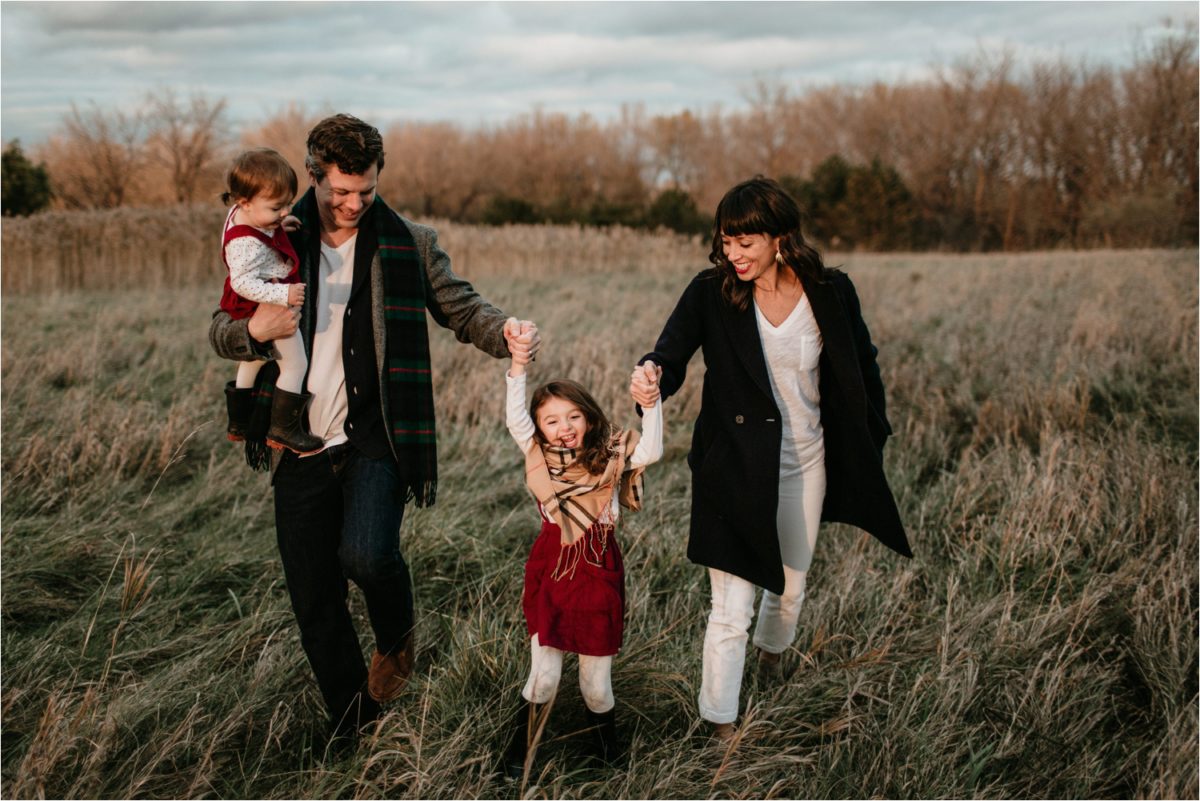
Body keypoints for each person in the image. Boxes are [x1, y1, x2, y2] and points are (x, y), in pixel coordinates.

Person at [208, 114, 540, 744]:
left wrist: (507, 333)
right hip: (298, 440)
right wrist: (255, 331)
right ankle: (353, 723)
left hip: (375, 438)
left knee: (368, 554)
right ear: (314, 177)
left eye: (367, 189)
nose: (355, 203)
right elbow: (222, 330)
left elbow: (460, 305)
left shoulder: (407, 241)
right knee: (314, 597)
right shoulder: (276, 239)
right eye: (340, 191)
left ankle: (396, 637)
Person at [630, 176, 911, 741]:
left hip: (807, 460)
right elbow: (669, 354)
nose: (733, 254)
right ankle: (721, 725)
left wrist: (869, 428)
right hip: (735, 466)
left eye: (746, 242)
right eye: (726, 241)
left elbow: (863, 361)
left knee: (790, 588)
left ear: (781, 237)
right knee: (730, 609)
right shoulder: (711, 291)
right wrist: (650, 378)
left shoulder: (830, 290)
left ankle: (772, 658)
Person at [500, 330, 663, 778]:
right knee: (544, 677)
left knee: (595, 684)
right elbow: (516, 419)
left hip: (598, 567)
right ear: (539, 427)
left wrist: (650, 403)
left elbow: (652, 448)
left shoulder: (609, 455)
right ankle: (518, 755)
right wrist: (518, 364)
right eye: (551, 420)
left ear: (589, 418)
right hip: (553, 564)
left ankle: (606, 756)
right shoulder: (538, 455)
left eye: (573, 416)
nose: (564, 427)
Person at [218, 147, 322, 455]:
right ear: (245, 202)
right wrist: (283, 295)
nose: (285, 212)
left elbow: (262, 232)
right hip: (267, 303)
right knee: (294, 364)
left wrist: (276, 225)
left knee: (252, 358)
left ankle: (238, 423)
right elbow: (242, 282)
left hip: (252, 302)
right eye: (277, 208)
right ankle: (284, 430)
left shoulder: (247, 217)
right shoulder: (245, 242)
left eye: (288, 204)